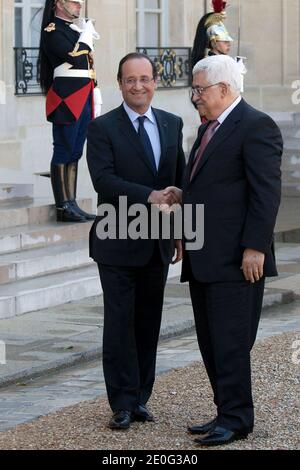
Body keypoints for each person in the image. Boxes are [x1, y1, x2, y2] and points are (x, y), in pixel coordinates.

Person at [180, 55, 282, 446]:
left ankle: (238, 419)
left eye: (200, 90)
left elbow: (266, 194)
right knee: (210, 342)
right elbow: (209, 187)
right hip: (204, 256)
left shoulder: (256, 126)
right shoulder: (209, 128)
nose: (195, 97)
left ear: (224, 89)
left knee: (231, 342)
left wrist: (255, 247)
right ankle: (225, 410)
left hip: (238, 260)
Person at [87, 53, 185, 430]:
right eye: (131, 80)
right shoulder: (102, 128)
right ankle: (122, 402)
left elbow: (178, 182)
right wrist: (150, 196)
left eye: (145, 78)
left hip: (156, 241)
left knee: (148, 323)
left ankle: (142, 397)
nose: (138, 86)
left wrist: (179, 231)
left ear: (155, 81)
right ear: (120, 83)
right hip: (116, 240)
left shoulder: (171, 123)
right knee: (119, 324)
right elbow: (104, 182)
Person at [39, 0, 102, 222]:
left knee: (76, 150)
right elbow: (74, 57)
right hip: (66, 98)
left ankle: (72, 202)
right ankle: (62, 206)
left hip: (83, 95)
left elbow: (87, 64)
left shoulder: (73, 30)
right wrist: (86, 36)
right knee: (64, 149)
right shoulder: (53, 29)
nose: (79, 6)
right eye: (75, 2)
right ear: (59, 3)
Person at [191, 0, 233, 69]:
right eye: (224, 41)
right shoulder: (206, 64)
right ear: (214, 42)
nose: (229, 44)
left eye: (228, 41)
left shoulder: (226, 61)